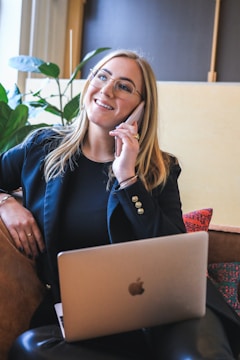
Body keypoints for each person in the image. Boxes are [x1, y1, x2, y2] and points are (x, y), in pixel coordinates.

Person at [0, 49, 240, 360]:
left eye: (124, 86)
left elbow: (175, 253)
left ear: (142, 107)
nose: (107, 90)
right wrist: (5, 201)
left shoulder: (159, 169)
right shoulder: (41, 149)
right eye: (102, 77)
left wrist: (128, 179)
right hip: (90, 318)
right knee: (29, 349)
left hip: (170, 311)